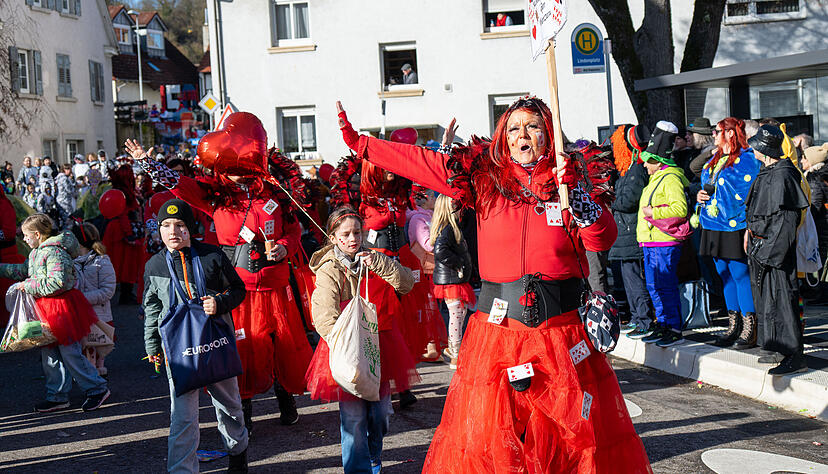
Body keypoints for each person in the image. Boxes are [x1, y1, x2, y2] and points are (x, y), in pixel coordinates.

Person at [336, 97, 650, 472]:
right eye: (514, 128)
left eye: (533, 126)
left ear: (548, 135)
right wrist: (362, 144)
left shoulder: (570, 179)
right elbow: (422, 162)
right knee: (499, 438)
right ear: (503, 138)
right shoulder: (482, 179)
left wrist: (579, 197)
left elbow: (603, 239)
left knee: (567, 436)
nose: (523, 135)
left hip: (561, 332)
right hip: (499, 334)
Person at [125, 119, 312, 432]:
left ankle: (286, 400)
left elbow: (294, 230)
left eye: (240, 163)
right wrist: (147, 162)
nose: (235, 170)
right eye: (229, 164)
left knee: (282, 345)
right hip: (237, 289)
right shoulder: (214, 196)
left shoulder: (275, 194)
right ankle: (245, 409)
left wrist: (283, 246)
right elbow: (179, 185)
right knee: (243, 349)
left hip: (276, 287)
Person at [306, 207, 417, 474]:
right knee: (354, 419)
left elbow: (406, 283)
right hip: (346, 347)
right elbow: (323, 315)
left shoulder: (374, 258)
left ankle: (374, 454)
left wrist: (379, 263)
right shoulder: (328, 268)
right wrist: (346, 349)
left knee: (380, 415)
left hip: (379, 344)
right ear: (333, 238)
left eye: (357, 232)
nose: (354, 238)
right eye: (346, 234)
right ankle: (358, 469)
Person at [142, 199, 249, 473]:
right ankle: (182, 470)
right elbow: (152, 308)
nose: (172, 231)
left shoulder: (212, 255)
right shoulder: (154, 265)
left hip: (215, 343)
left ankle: (237, 456)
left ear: (190, 229)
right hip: (179, 353)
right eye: (165, 225)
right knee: (183, 418)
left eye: (179, 225)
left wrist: (220, 303)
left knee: (230, 407)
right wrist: (153, 345)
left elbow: (237, 289)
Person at [0, 214, 109, 412]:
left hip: (61, 308)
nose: (23, 239)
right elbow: (24, 271)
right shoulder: (37, 252)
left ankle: (97, 389)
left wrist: (27, 285)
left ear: (37, 234)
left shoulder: (54, 252)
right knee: (50, 354)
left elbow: (58, 282)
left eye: (25, 235)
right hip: (48, 309)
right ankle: (57, 395)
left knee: (70, 353)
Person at [745, 125, 810, 375]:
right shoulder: (768, 171)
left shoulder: (784, 175)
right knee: (768, 300)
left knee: (782, 299)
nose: (752, 150)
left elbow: (786, 220)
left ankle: (793, 353)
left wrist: (770, 252)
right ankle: (776, 346)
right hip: (761, 244)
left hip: (774, 250)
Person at [696, 118, 761, 349]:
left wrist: (749, 227)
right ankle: (733, 325)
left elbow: (751, 195)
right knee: (723, 273)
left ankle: (750, 328)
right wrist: (699, 197)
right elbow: (703, 179)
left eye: (717, 131)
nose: (713, 135)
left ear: (731, 134)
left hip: (735, 226)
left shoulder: (748, 159)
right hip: (712, 223)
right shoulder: (715, 159)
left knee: (739, 274)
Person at [636, 121, 690, 348]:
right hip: (651, 241)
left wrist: (653, 212)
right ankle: (663, 323)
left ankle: (674, 327)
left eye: (649, 160)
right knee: (654, 286)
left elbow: (680, 209)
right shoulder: (655, 179)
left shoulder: (671, 179)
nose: (645, 165)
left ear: (658, 161)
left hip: (664, 241)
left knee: (664, 286)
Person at [608, 124, 655, 339]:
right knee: (628, 280)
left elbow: (628, 201)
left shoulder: (636, 168)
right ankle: (637, 318)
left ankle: (644, 319)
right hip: (624, 232)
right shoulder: (628, 168)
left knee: (635, 280)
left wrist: (610, 201)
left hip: (630, 231)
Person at [430, 194, 475, 368]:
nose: (459, 209)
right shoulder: (448, 229)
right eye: (456, 206)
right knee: (456, 316)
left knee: (459, 315)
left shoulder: (451, 227)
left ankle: (453, 348)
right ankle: (455, 353)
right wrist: (459, 263)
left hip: (454, 279)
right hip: (452, 280)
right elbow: (441, 251)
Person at [72, 222, 116, 377]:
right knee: (85, 347)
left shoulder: (102, 261)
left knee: (98, 345)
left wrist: (81, 298)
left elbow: (108, 290)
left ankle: (98, 375)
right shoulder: (71, 263)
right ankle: (91, 375)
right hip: (80, 314)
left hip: (99, 315)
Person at [103, 165, 145, 304]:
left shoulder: (120, 190)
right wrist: (129, 234)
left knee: (123, 263)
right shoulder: (124, 193)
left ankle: (125, 293)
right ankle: (125, 295)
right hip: (122, 230)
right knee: (127, 264)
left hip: (119, 230)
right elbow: (122, 213)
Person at [801, 144, 828, 279]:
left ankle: (818, 295)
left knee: (819, 266)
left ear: (812, 161)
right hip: (823, 228)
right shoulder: (821, 176)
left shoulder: (814, 179)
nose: (801, 161)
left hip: (820, 229)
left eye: (804, 159)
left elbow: (814, 207)